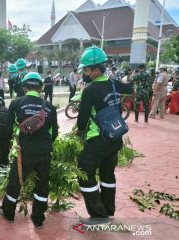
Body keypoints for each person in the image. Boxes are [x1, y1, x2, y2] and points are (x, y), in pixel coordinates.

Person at [75, 46, 132, 226]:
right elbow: (130, 87)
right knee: (107, 174)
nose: (84, 72)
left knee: (84, 171)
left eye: (86, 69)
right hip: (115, 137)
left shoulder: (90, 90)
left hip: (98, 138)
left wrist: (79, 130)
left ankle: (99, 217)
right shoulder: (113, 84)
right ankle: (108, 210)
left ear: (96, 70)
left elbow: (82, 119)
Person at [0, 72, 58, 229]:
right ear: (41, 88)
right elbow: (54, 133)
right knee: (42, 185)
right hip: (44, 152)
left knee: (15, 182)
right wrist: (44, 146)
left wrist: (10, 143)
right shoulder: (49, 107)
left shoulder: (16, 103)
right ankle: (38, 219)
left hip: (23, 152)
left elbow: (8, 128)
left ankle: (8, 213)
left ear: (24, 87)